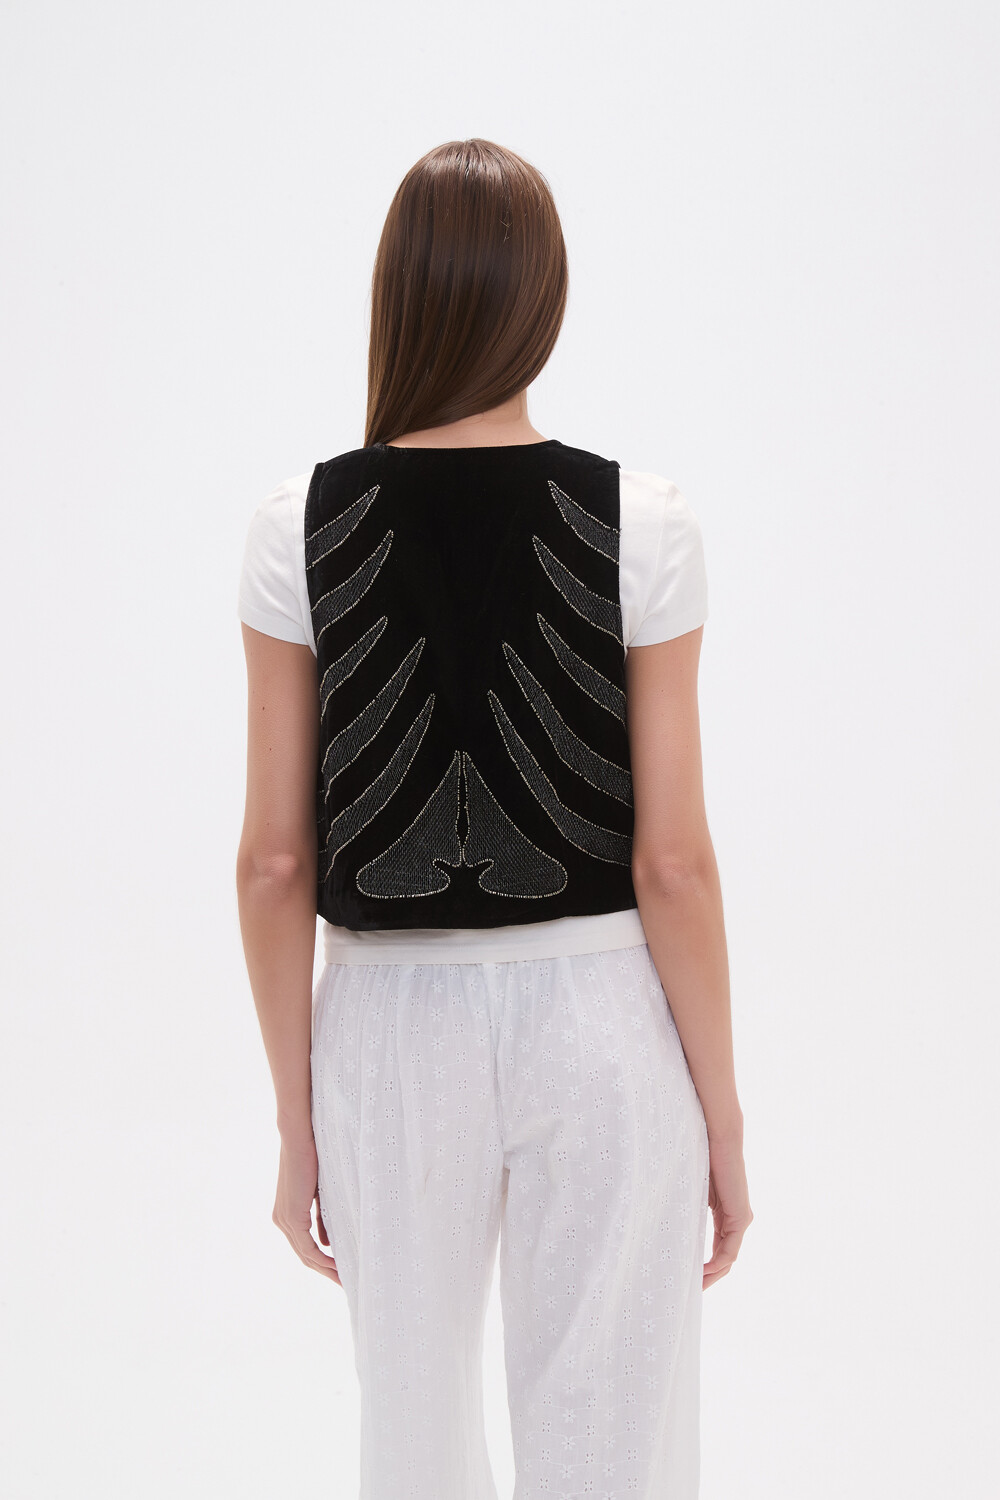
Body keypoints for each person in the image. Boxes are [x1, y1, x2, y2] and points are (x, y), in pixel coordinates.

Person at [236, 137, 752, 1500]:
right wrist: (724, 1118)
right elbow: (675, 863)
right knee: (610, 1450)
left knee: (408, 1442)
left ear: (397, 290)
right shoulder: (645, 522)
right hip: (600, 1013)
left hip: (386, 1023)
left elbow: (276, 861)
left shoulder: (299, 524)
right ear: (546, 298)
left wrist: (296, 1119)